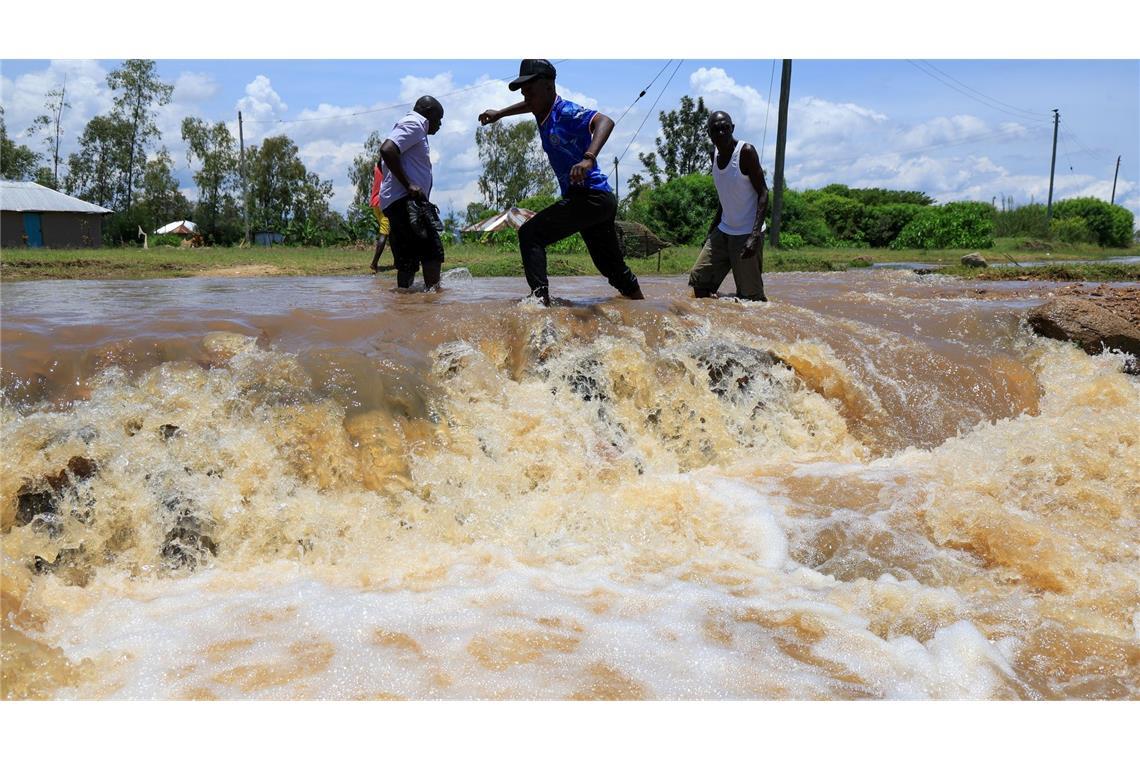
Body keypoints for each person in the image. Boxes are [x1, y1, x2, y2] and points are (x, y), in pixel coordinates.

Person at [478, 59, 643, 306]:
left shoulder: (565, 112)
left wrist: (588, 158)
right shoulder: (541, 109)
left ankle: (539, 304)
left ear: (548, 86)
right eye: (523, 92)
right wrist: (500, 114)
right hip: (594, 200)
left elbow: (604, 121)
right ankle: (641, 306)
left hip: (591, 196)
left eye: (529, 91)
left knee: (531, 233)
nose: (526, 96)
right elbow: (528, 106)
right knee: (610, 267)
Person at [688, 110, 769, 301]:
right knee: (700, 284)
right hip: (723, 231)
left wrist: (755, 235)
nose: (721, 133)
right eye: (716, 130)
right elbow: (725, 196)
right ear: (709, 134)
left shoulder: (746, 152)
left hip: (747, 233)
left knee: (751, 300)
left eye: (725, 128)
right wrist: (712, 229)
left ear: (732, 128)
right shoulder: (713, 155)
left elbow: (764, 193)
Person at [379, 95, 445, 290]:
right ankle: (432, 304)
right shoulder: (415, 124)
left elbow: (384, 157)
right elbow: (387, 150)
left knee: (407, 260)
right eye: (439, 119)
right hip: (408, 202)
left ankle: (404, 305)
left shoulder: (409, 127)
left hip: (397, 202)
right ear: (429, 113)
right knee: (432, 252)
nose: (440, 124)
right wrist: (409, 184)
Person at [368, 160, 390, 273]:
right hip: (384, 203)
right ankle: (374, 263)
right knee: (384, 233)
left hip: (375, 204)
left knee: (390, 232)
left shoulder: (376, 168)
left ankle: (398, 260)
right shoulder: (390, 169)